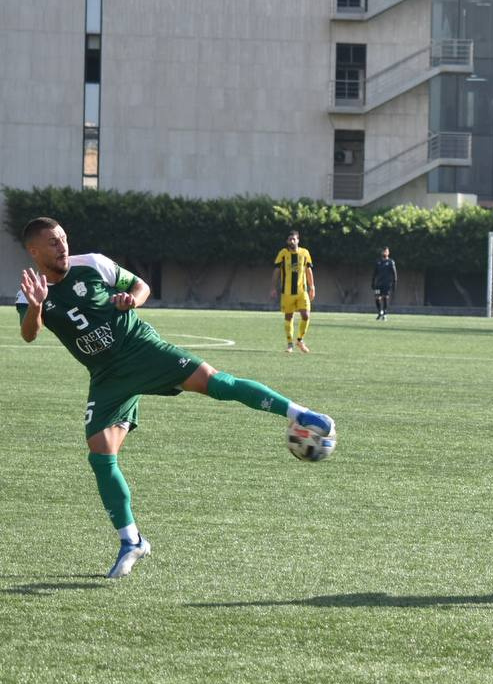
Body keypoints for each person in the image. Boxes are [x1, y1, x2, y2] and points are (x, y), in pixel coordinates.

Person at [19, 217, 333, 579]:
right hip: (107, 377)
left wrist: (131, 300)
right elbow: (29, 334)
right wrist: (37, 305)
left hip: (141, 349)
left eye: (63, 238)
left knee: (217, 384)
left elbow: (141, 286)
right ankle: (132, 541)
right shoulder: (29, 291)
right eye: (53, 242)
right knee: (100, 453)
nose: (63, 246)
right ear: (34, 251)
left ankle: (298, 413)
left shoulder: (92, 263)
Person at [271, 230, 315, 353]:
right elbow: (276, 271)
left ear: (298, 240)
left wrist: (312, 286)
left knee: (306, 315)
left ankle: (300, 340)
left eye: (294, 239)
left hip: (302, 291)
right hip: (287, 292)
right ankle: (290, 344)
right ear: (287, 241)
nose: (292, 241)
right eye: (290, 239)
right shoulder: (283, 254)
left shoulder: (305, 253)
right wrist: (273, 287)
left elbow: (308, 270)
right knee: (288, 316)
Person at [371, 246, 398, 321]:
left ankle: (385, 313)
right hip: (378, 284)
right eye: (383, 251)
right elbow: (374, 273)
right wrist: (372, 282)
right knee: (377, 297)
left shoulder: (391, 262)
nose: (384, 253)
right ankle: (380, 312)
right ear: (381, 252)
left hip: (387, 284)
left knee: (385, 298)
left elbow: (394, 274)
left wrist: (394, 284)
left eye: (386, 251)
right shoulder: (378, 262)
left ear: (388, 253)